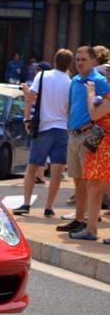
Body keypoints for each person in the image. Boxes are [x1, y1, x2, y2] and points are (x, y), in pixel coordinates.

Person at [13, 49, 73, 217]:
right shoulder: (70, 82)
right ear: (69, 64)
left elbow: (30, 97)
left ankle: (26, 204)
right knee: (56, 171)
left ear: (54, 61)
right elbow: (69, 108)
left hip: (44, 127)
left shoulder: (42, 76)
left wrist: (26, 119)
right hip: (62, 129)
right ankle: (48, 206)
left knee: (32, 168)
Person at [56, 46, 110, 234]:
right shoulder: (75, 81)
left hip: (90, 135)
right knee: (79, 180)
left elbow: (100, 112)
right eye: (77, 59)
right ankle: (80, 219)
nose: (79, 63)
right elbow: (71, 105)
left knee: (92, 182)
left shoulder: (100, 82)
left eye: (83, 59)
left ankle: (88, 222)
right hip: (74, 134)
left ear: (94, 61)